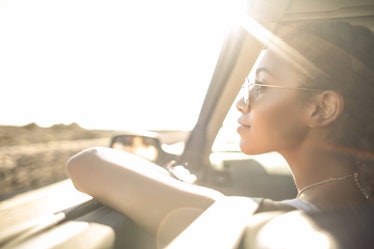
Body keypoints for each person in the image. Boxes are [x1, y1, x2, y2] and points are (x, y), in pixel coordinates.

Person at [66, 20, 374, 244]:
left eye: (262, 86)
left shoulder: (264, 224)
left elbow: (87, 164)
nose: (241, 103)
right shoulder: (360, 207)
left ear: (321, 109)